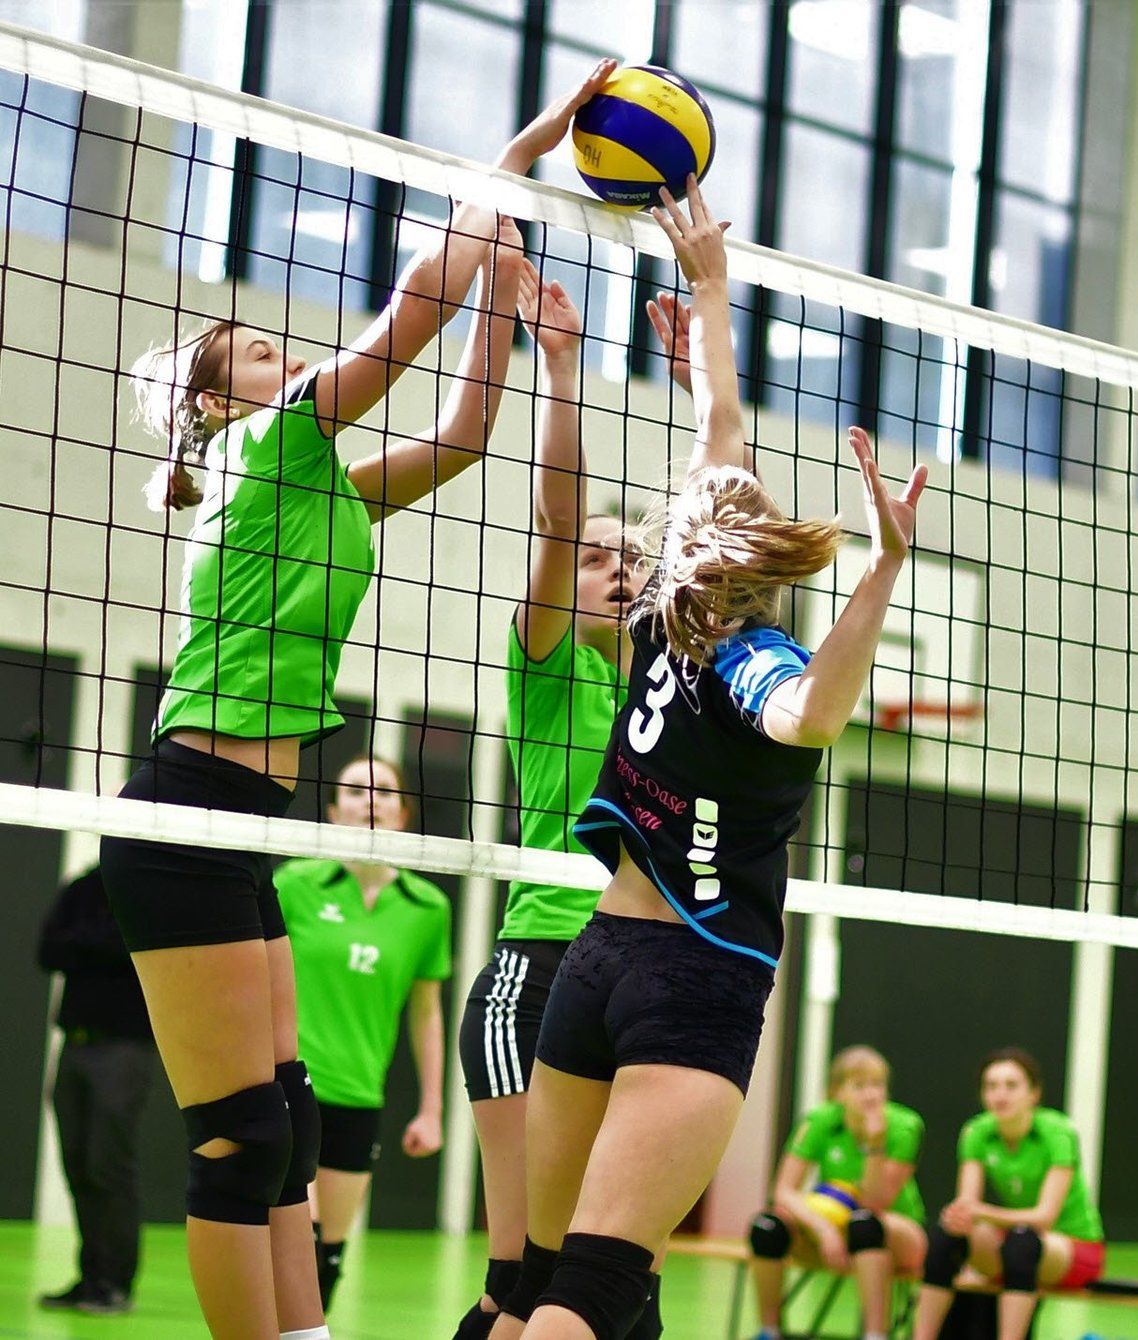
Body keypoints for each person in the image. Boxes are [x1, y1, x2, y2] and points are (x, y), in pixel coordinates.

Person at [97, 62, 607, 1339]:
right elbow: (411, 308)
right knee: (237, 1139)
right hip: (186, 810)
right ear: (219, 404)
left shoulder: (316, 478)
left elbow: (463, 433)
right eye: (262, 350)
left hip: (241, 817)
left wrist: (508, 298)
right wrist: (525, 151)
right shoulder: (266, 450)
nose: (289, 350)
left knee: (291, 1119)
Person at [485, 174, 929, 1340]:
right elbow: (812, 720)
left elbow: (716, 439)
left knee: (540, 1285)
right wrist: (882, 572)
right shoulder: (751, 658)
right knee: (588, 1292)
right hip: (695, 977)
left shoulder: (653, 618)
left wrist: (715, 290)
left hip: (592, 962)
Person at [449, 223, 669, 1340]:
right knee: (526, 1278)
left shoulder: (666, 692)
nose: (616, 565)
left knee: (623, 1285)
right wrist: (566, 366)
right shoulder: (547, 664)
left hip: (638, 973)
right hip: (534, 972)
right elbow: (553, 513)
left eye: (632, 556)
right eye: (599, 553)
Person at [279, 756, 452, 1311]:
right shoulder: (294, 884)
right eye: (355, 790)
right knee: (294, 1241)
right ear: (334, 811)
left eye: (384, 791)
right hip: (290, 1090)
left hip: (360, 1096)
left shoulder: (428, 908)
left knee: (328, 1255)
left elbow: (426, 1012)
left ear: (403, 814)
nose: (370, 800)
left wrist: (432, 1109)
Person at [911, 1048, 1105, 1340]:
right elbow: (968, 1207)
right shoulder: (977, 1132)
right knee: (947, 1235)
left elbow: (1044, 1216)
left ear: (1034, 1094)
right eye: (991, 1086)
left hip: (1073, 1250)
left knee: (1023, 1242)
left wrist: (980, 1213)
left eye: (1011, 1086)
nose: (1000, 1094)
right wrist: (961, 1217)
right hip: (1017, 1245)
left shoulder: (1057, 1132)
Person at [36, 864, 156, 1316]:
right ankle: (90, 1277)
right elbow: (48, 950)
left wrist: (84, 944)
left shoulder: (149, 884)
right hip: (74, 1044)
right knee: (79, 1165)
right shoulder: (85, 885)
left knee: (109, 1165)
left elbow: (133, 949)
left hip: (125, 1047)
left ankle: (116, 1284)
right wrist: (102, 942)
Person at [749, 1045, 928, 1340]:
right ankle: (770, 1330)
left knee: (864, 1223)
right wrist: (823, 1229)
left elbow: (875, 1202)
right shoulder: (819, 1121)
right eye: (859, 1086)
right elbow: (782, 1190)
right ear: (837, 1092)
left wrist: (875, 1144)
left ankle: (875, 1334)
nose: (871, 1095)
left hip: (896, 1230)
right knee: (768, 1226)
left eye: (878, 1085)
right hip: (833, 1228)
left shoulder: (904, 1126)